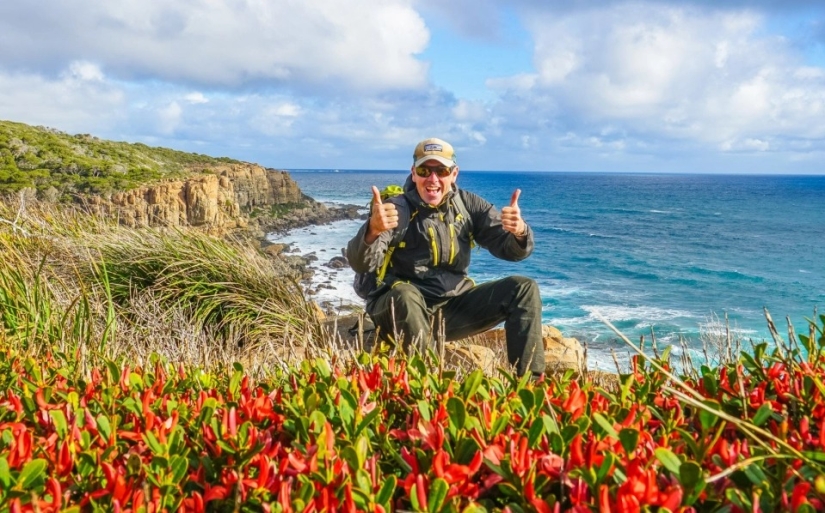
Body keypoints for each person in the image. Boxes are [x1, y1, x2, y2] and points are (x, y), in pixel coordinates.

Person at [346, 137, 544, 378]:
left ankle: (529, 386)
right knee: (405, 294)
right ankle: (431, 385)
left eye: (441, 170)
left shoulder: (469, 205)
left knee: (524, 289)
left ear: (454, 173)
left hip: (449, 312)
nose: (433, 179)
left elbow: (510, 250)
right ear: (414, 173)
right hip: (396, 312)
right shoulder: (396, 209)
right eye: (424, 171)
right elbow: (361, 263)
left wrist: (520, 232)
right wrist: (372, 231)